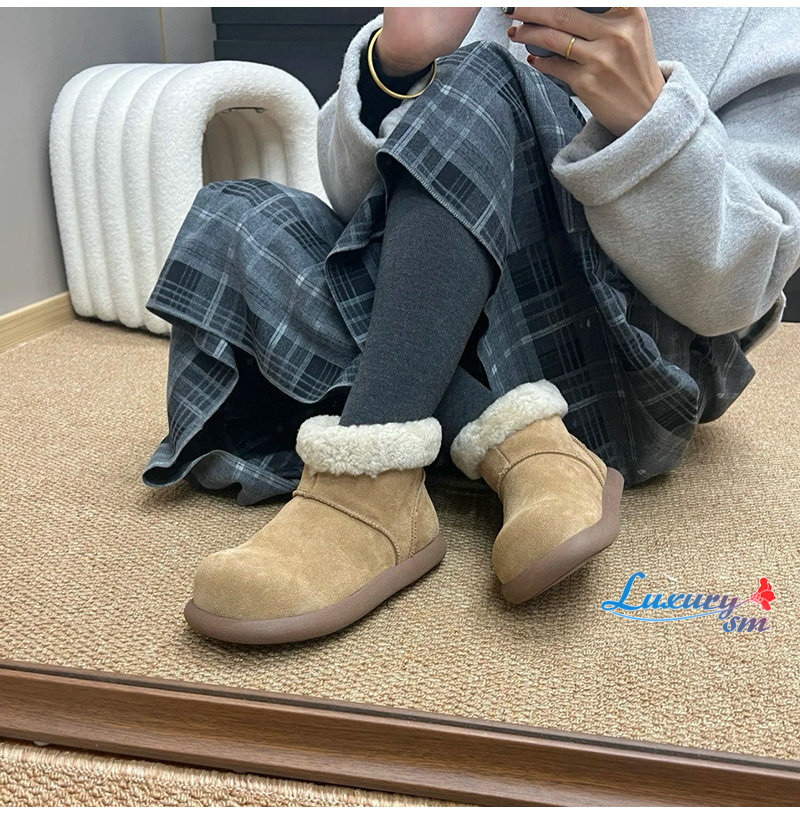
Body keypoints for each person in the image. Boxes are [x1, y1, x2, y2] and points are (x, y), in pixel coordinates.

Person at [141, 7, 800, 645]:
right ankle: (528, 449)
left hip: (625, 367)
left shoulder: (767, 21)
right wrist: (395, 66)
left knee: (484, 72)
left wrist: (648, 122)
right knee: (242, 217)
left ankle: (367, 485)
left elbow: (737, 296)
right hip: (445, 334)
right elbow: (358, 210)